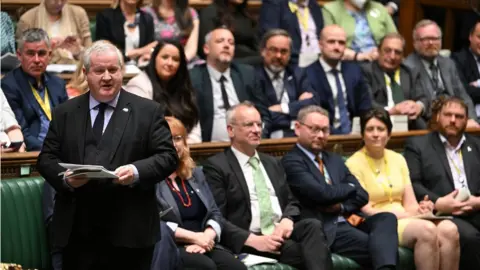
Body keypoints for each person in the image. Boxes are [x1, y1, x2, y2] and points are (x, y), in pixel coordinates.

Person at [36, 41, 178, 270]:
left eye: (113, 70)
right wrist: (65, 179)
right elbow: (45, 159)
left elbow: (168, 157)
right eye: (99, 70)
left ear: (121, 71)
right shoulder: (65, 112)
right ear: (85, 73)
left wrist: (135, 171)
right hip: (77, 233)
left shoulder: (148, 111)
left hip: (130, 233)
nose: (107, 77)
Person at [203, 101, 333, 270]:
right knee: (314, 253)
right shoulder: (217, 166)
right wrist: (254, 241)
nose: (257, 130)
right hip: (251, 238)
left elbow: (292, 201)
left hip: (280, 233)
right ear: (230, 130)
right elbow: (217, 217)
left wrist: (287, 220)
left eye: (259, 124)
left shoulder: (272, 163)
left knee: (312, 225)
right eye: (249, 125)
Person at [281, 105, 399, 270]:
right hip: (328, 228)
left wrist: (342, 205)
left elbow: (362, 195)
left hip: (352, 219)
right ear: (298, 128)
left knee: (386, 217)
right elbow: (322, 193)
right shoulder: (292, 161)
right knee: (383, 250)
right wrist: (349, 187)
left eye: (325, 130)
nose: (320, 135)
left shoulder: (334, 160)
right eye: (314, 129)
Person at [345, 108, 460, 270]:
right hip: (382, 224)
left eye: (381, 129)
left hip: (407, 217)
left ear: (389, 134)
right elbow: (367, 210)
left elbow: (410, 203)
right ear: (362, 134)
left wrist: (421, 209)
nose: (376, 134)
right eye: (370, 129)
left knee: (450, 230)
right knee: (426, 230)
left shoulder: (398, 159)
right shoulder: (353, 164)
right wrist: (406, 214)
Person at [156, 116, 246, 270]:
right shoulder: (152, 179)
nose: (173, 144)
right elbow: (157, 223)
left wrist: (206, 238)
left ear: (184, 143)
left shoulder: (195, 174)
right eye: (167, 139)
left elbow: (215, 213)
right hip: (173, 246)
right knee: (205, 266)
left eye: (178, 138)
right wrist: (195, 238)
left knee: (236, 267)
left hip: (205, 242)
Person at [404, 96, 480, 270]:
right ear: (438, 117)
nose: (453, 120)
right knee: (470, 237)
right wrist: (440, 203)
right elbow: (413, 183)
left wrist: (477, 201)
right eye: (448, 115)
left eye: (459, 117)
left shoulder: (477, 146)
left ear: (466, 120)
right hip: (444, 214)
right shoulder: (418, 145)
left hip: (475, 207)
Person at [189, 27, 270, 142]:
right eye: (220, 41)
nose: (227, 45)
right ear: (206, 48)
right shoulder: (193, 77)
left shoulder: (247, 74)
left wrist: (260, 136)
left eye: (231, 43)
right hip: (207, 149)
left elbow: (264, 114)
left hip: (248, 146)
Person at [2, 28, 68, 151]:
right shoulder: (9, 85)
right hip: (34, 152)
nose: (37, 60)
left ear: (50, 55)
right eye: (30, 54)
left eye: (42, 53)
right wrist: (51, 151)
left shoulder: (58, 84)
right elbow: (22, 132)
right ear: (19, 55)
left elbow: (68, 124)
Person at [404, 19, 480, 128]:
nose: (431, 43)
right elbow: (420, 105)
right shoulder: (408, 67)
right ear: (415, 42)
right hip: (429, 126)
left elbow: (463, 97)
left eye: (435, 38)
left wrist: (473, 121)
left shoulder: (448, 63)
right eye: (425, 39)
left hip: (457, 120)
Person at [126, 41, 201, 143]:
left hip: (186, 151)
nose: (170, 63)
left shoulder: (184, 87)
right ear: (154, 58)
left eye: (175, 59)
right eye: (165, 57)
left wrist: (186, 147)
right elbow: (141, 127)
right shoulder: (138, 84)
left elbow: (194, 125)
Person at [305, 25, 372, 134]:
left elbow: (365, 105)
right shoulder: (308, 74)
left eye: (341, 43)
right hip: (323, 135)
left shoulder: (354, 70)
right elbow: (313, 113)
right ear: (320, 45)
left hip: (355, 136)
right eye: (331, 42)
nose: (337, 47)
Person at [256, 29, 318, 138]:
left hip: (301, 136)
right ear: (263, 51)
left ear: (290, 54)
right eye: (273, 50)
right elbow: (261, 115)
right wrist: (296, 112)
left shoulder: (297, 73)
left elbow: (314, 103)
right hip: (269, 137)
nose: (279, 56)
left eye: (284, 51)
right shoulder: (253, 76)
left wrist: (284, 108)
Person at [361, 33, 429, 129]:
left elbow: (423, 98)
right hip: (378, 123)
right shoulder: (366, 72)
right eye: (387, 51)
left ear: (403, 56)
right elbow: (367, 103)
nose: (392, 57)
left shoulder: (410, 72)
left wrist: (418, 107)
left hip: (409, 125)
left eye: (397, 52)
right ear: (378, 51)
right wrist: (392, 111)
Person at [16, 0, 91, 64]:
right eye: (54, 0)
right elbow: (22, 57)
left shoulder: (79, 14)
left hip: (75, 70)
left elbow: (90, 55)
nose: (59, 3)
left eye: (62, 0)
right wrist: (47, 46)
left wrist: (78, 51)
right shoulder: (27, 19)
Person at [322, 0, 397, 62]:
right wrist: (361, 56)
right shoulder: (330, 10)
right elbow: (329, 46)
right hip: (348, 62)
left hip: (380, 61)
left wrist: (382, 52)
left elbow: (395, 39)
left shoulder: (379, 7)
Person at [258, 0, 324, 67]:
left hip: (318, 59)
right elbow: (271, 37)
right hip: (292, 62)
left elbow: (320, 34)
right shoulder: (274, 3)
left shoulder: (313, 4)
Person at [198, 0, 260, 64]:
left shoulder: (245, 15)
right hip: (223, 63)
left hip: (250, 62)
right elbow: (206, 49)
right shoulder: (211, 12)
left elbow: (256, 45)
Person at [452, 20, 480, 120]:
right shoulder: (457, 59)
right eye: (479, 37)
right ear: (470, 37)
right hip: (470, 118)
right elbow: (464, 91)